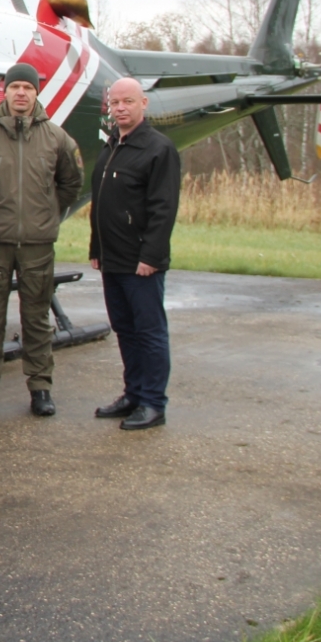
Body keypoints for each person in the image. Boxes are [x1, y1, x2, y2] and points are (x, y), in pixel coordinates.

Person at [0, 63, 83, 417]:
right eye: (14, 87)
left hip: (37, 244)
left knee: (36, 318)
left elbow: (70, 184)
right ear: (5, 91)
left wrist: (45, 213)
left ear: (35, 93)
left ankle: (40, 387)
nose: (21, 93)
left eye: (27, 88)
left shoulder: (57, 139)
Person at [89, 77, 181, 431]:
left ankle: (154, 402)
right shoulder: (112, 145)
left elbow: (164, 208)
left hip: (141, 262)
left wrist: (152, 256)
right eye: (115, 103)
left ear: (144, 103)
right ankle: (134, 393)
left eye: (128, 101)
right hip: (112, 259)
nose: (121, 108)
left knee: (150, 331)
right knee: (125, 329)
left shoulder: (158, 149)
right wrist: (97, 248)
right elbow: (103, 204)